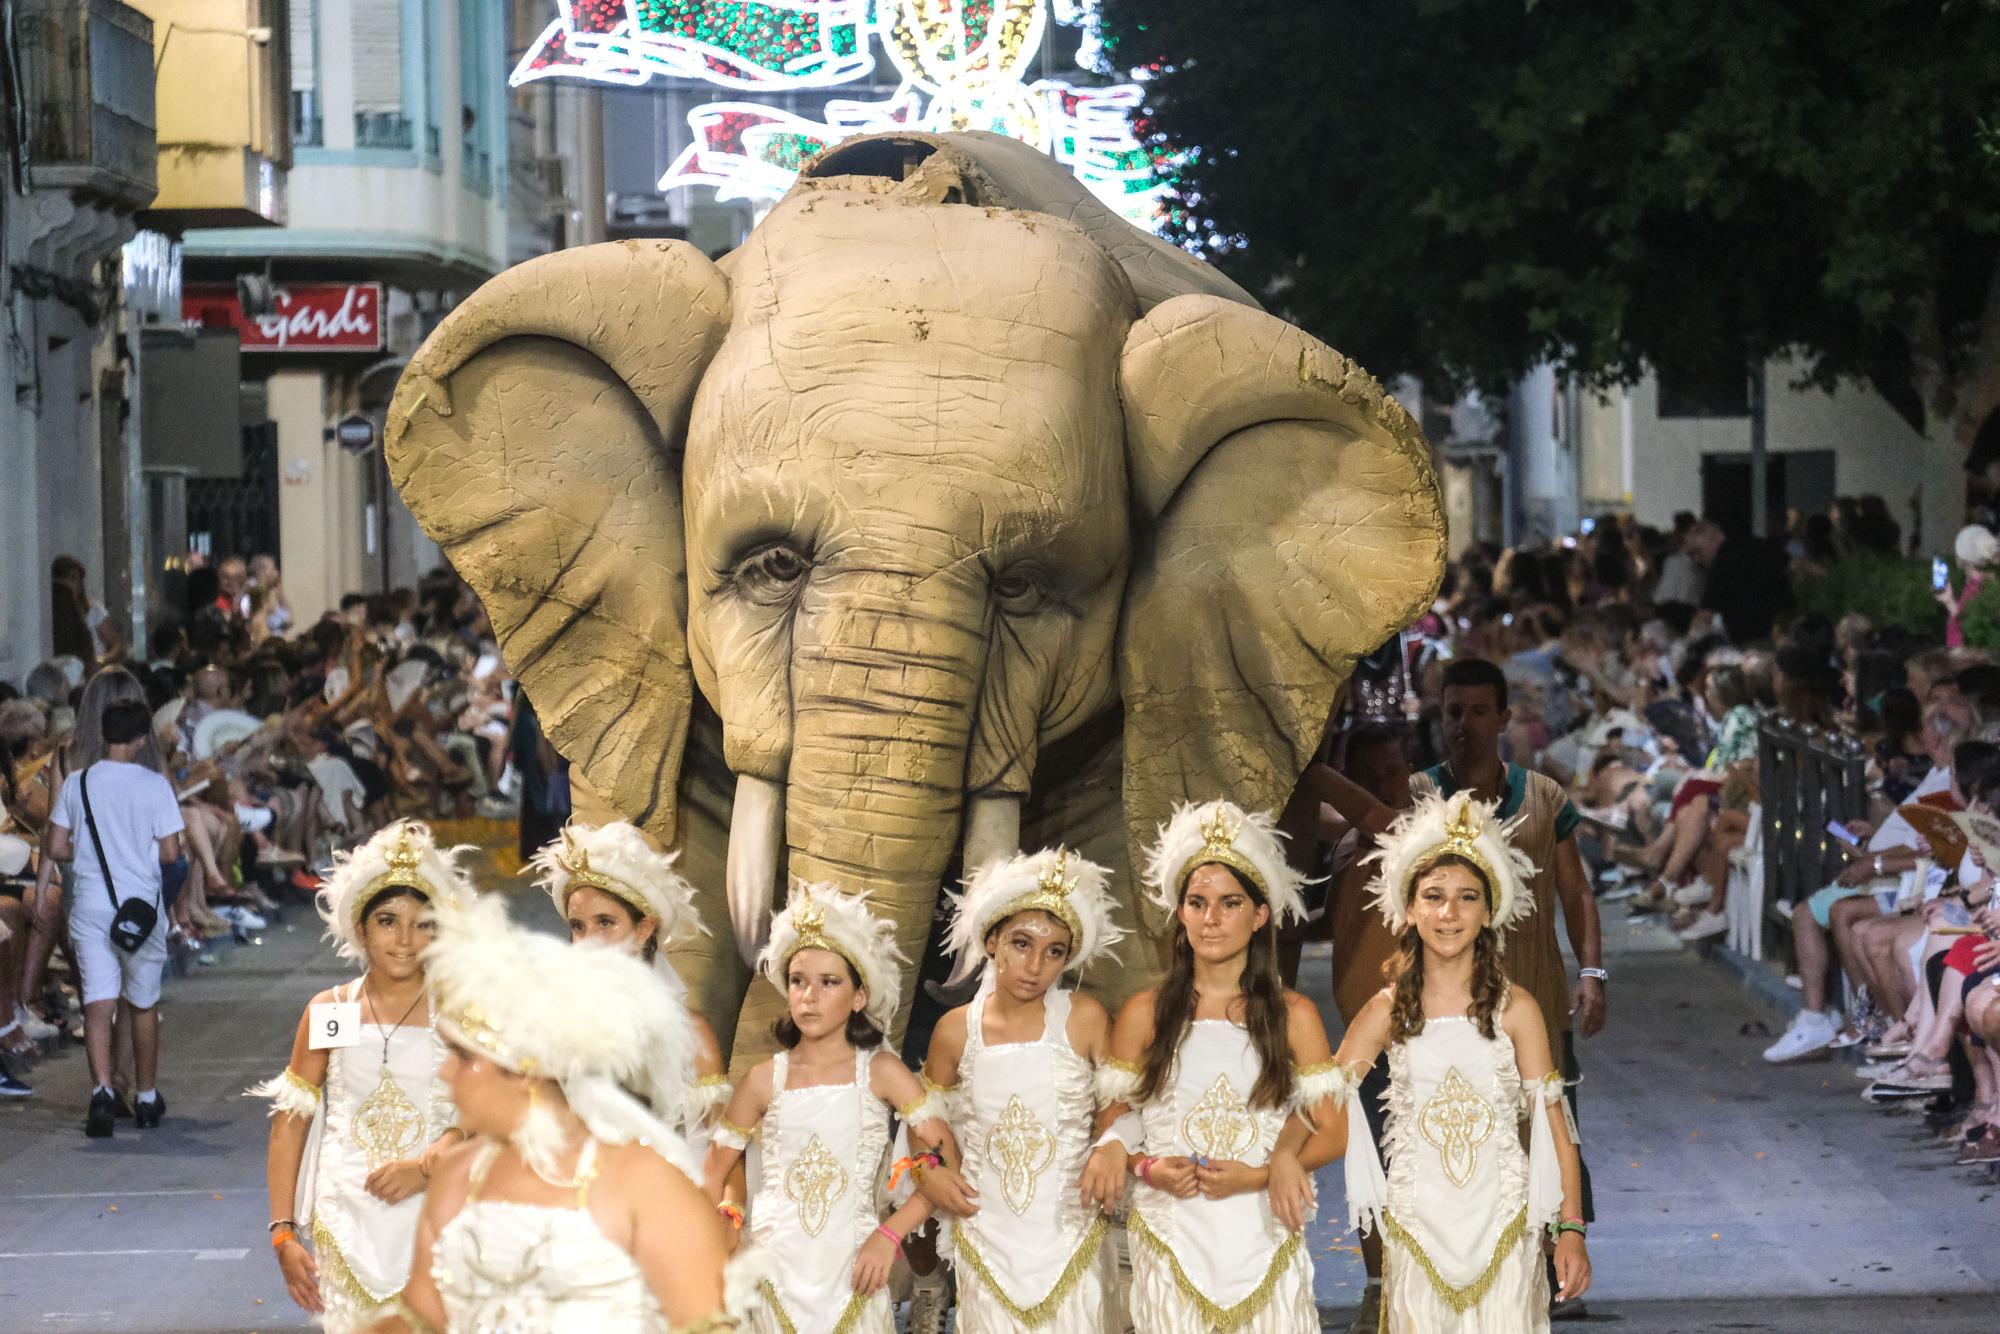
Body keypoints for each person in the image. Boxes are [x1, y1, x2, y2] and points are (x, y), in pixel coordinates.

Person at [373, 892, 741, 1332]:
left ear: (528, 1069)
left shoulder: (649, 1186)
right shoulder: (456, 1179)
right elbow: (421, 1320)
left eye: (463, 1056)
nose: (446, 1073)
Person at [1330, 793, 1591, 1331]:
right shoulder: (1383, 1011)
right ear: (1410, 909)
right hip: (1416, 1230)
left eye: (1466, 897)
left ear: (1489, 910)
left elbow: (1553, 1119)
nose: (1449, 913)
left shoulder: (1516, 1009)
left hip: (1503, 1226)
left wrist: (1571, 1228)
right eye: (1434, 896)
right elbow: (1323, 1099)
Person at [1089, 800, 1342, 1333]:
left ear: (1259, 915)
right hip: (1172, 1233)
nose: (1211, 919)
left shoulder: (1294, 1015)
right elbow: (1115, 1120)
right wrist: (1144, 1166)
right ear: (1180, 912)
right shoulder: (1144, 1013)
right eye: (1198, 902)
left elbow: (1333, 1130)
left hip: (1262, 1228)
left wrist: (1266, 1170)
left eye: (1230, 903)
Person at [250, 821, 476, 1331]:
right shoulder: (331, 1011)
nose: (404, 940)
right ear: (361, 928)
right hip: (345, 1221)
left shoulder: (461, 1013)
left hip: (437, 1213)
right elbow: (290, 1123)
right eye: (388, 921)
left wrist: (425, 1166)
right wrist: (282, 1231)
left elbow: (489, 1117)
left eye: (423, 925)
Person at [706, 884, 953, 1334]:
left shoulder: (881, 1072)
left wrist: (889, 1233)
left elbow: (942, 1161)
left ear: (859, 996)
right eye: (798, 981)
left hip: (854, 1272)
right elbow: (713, 1171)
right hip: (774, 1277)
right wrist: (727, 1227)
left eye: (829, 982)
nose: (809, 996)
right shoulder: (763, 1079)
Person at [917, 847, 1126, 1331]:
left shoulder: (1085, 1018)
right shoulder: (955, 1030)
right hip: (988, 1229)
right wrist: (932, 1168)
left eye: (1054, 951)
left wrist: (1112, 1143)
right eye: (1021, 943)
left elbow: (1118, 1104)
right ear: (992, 941)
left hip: (1067, 1225)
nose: (1035, 965)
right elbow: (927, 1117)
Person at [534, 821, 731, 1156]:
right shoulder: (551, 1024)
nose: (589, 941)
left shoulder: (691, 1034)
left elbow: (720, 1153)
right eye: (578, 927)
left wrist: (728, 1208)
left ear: (643, 930)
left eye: (606, 923)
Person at [43, 699, 182, 1137]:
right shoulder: (155, 785)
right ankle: (145, 1097)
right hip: (139, 909)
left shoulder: (78, 784)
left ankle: (102, 1090)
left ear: (102, 735)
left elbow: (57, 845)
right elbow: (171, 852)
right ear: (142, 740)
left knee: (98, 1000)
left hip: (90, 905)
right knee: (141, 1001)